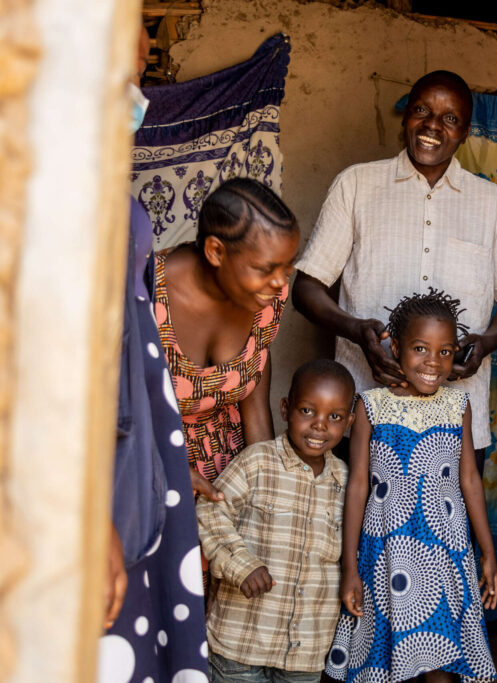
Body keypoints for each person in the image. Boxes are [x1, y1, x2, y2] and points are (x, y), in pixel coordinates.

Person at [291, 69, 497, 473]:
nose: (432, 126)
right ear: (405, 116)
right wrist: (356, 332)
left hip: (457, 421)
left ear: (465, 131)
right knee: (365, 524)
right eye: (421, 110)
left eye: (450, 118)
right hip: (364, 409)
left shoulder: (493, 204)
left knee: (451, 530)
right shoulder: (357, 185)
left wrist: (484, 344)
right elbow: (307, 287)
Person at [96, 24, 210, 683]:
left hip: (131, 458)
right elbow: (68, 364)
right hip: (95, 482)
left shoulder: (93, 170)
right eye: (127, 70)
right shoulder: (44, 180)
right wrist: (92, 514)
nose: (138, 97)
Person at [324, 289, 497, 683]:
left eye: (446, 351)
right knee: (386, 661)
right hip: (386, 552)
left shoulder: (458, 405)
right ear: (396, 347)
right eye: (421, 348)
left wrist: (486, 551)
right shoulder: (370, 405)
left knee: (442, 661)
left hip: (446, 551)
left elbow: (469, 478)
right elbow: (357, 487)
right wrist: (350, 567)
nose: (433, 363)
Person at [196, 359, 356, 683]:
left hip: (305, 652)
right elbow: (210, 510)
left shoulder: (345, 483)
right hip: (239, 645)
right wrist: (241, 565)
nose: (320, 425)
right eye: (308, 411)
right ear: (286, 408)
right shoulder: (257, 462)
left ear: (349, 422)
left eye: (334, 417)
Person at [154, 177, 300, 496]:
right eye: (266, 268)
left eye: (287, 267)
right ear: (216, 251)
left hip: (231, 476)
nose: (280, 282)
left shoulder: (268, 297)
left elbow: (255, 405)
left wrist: (264, 493)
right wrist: (165, 468)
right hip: (155, 475)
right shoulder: (146, 297)